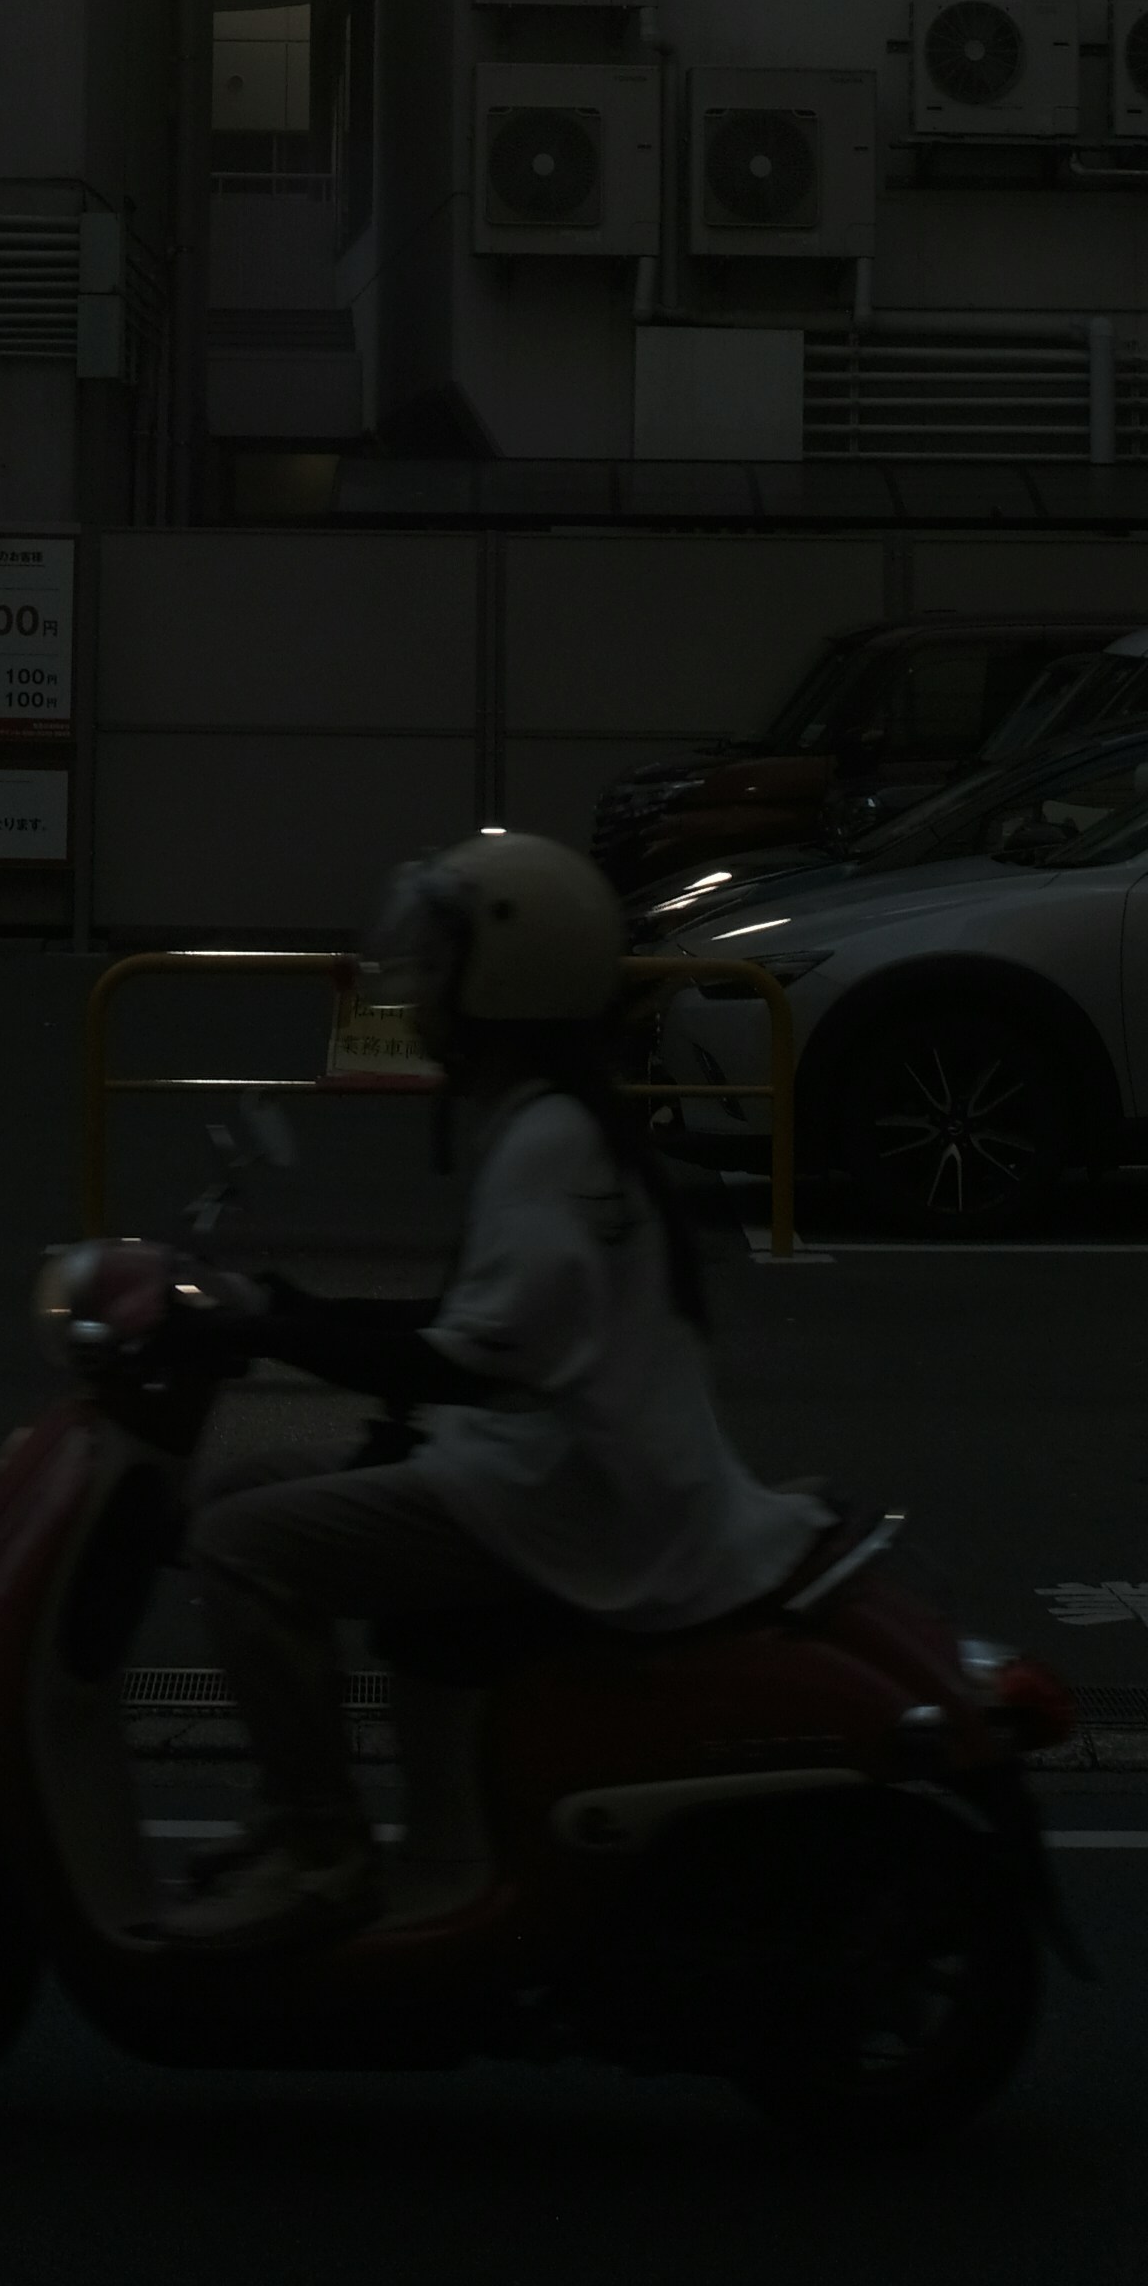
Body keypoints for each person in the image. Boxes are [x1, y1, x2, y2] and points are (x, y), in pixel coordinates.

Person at [173, 829, 830, 1945]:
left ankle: (317, 1849)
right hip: (551, 1471)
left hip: (569, 1502)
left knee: (244, 1547)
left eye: (436, 963)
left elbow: (451, 1358)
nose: (416, 987)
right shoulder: (554, 1123)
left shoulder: (547, 1144)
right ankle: (403, 1834)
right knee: (253, 1489)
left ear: (501, 981)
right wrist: (278, 1307)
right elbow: (473, 1333)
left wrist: (273, 1327)